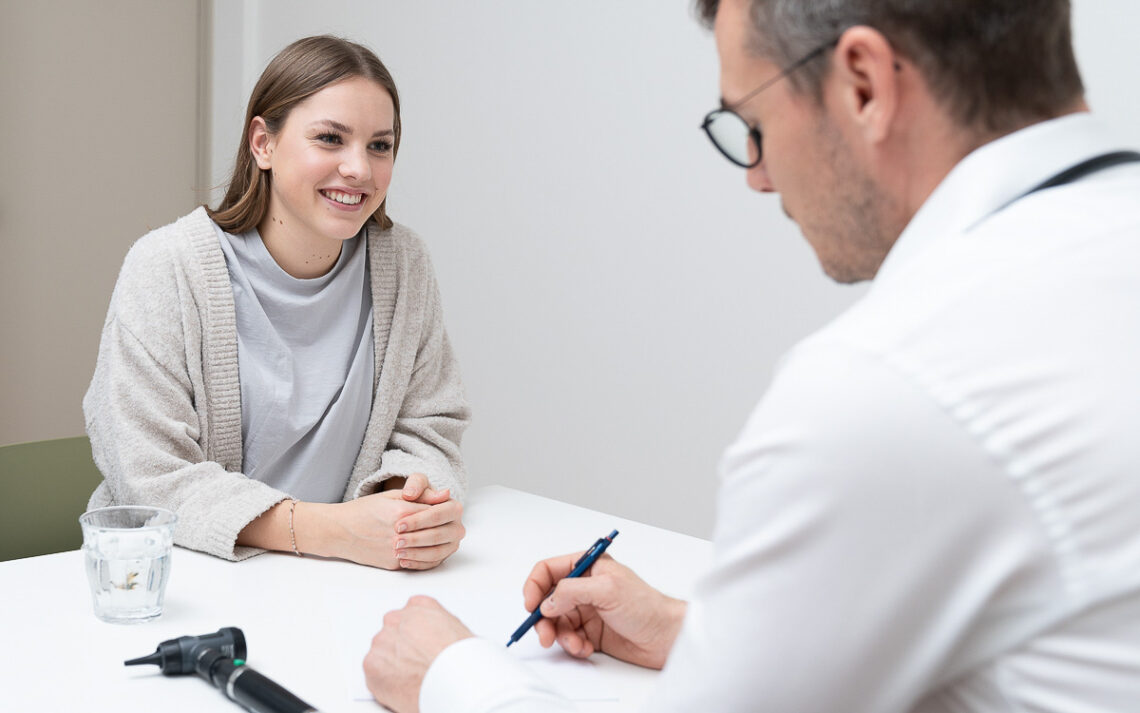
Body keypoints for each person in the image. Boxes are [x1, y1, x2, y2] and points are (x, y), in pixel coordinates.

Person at [362, 0, 1140, 710]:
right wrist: (689, 633)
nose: (759, 178)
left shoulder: (893, 382)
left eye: (753, 125)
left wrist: (448, 674)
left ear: (864, 83)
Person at [84, 35, 468, 571]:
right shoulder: (166, 267)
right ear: (263, 143)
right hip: (185, 581)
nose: (360, 168)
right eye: (331, 138)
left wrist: (407, 510)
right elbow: (150, 476)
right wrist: (337, 531)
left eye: (381, 145)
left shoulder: (403, 265)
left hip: (344, 581)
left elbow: (430, 424)